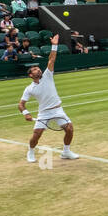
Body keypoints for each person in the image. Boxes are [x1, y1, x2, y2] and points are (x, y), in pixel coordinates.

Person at [20, 35, 78, 163]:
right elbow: (21, 104)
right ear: (30, 75)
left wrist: (54, 45)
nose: (38, 69)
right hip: (44, 113)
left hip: (58, 109)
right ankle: (30, 152)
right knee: (37, 134)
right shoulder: (29, 89)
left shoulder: (47, 75)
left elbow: (51, 59)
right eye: (34, 69)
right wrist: (26, 113)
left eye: (38, 67)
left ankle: (66, 152)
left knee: (69, 129)